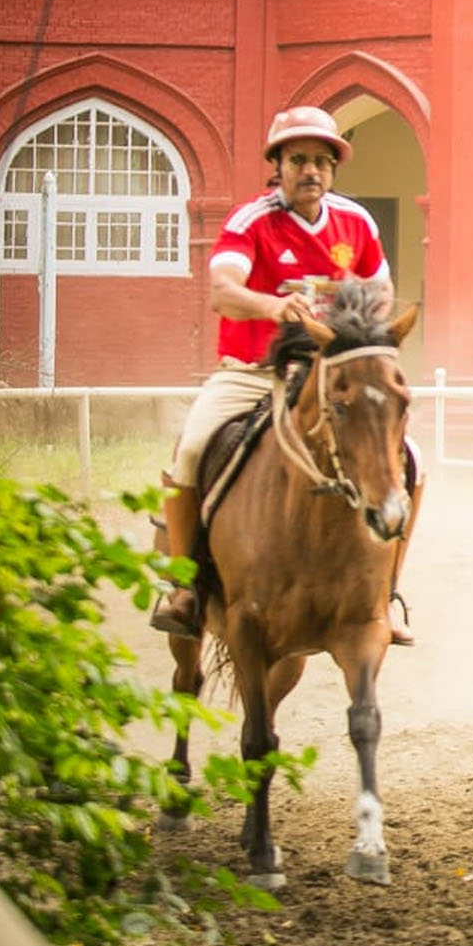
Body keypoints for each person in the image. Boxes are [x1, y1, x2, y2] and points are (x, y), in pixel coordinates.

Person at [149, 105, 417, 646]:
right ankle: (186, 589)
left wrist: (352, 307)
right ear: (278, 164)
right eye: (298, 160)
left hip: (330, 376)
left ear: (334, 169)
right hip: (254, 372)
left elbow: (382, 290)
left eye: (321, 161)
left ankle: (385, 595)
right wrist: (274, 308)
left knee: (411, 459)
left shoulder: (356, 222)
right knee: (193, 448)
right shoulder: (251, 221)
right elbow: (223, 291)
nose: (310, 171)